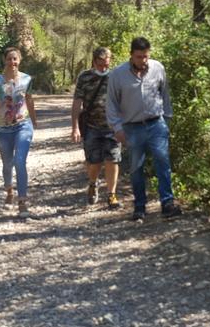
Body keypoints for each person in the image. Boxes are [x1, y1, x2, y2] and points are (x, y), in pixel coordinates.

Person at [107, 37, 182, 222]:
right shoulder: (118, 74)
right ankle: (140, 207)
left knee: (163, 163)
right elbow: (111, 104)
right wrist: (117, 128)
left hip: (156, 123)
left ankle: (167, 204)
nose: (143, 60)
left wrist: (167, 120)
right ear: (131, 55)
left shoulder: (158, 68)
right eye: (139, 57)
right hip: (132, 128)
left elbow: (165, 95)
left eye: (146, 56)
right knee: (136, 168)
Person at [0, 47, 40, 215]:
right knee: (7, 163)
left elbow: (29, 100)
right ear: (5, 61)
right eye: (9, 59)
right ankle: (9, 190)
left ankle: (22, 201)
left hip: (23, 125)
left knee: (19, 161)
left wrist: (34, 120)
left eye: (15, 59)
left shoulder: (26, 79)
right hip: (3, 128)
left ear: (20, 60)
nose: (12, 62)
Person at [70, 46, 121, 209]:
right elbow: (77, 102)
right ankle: (93, 183)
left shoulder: (116, 76)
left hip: (112, 127)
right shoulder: (85, 77)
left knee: (112, 159)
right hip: (91, 126)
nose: (104, 67)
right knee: (94, 162)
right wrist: (75, 127)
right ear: (94, 61)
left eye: (107, 63)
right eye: (101, 63)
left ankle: (112, 194)